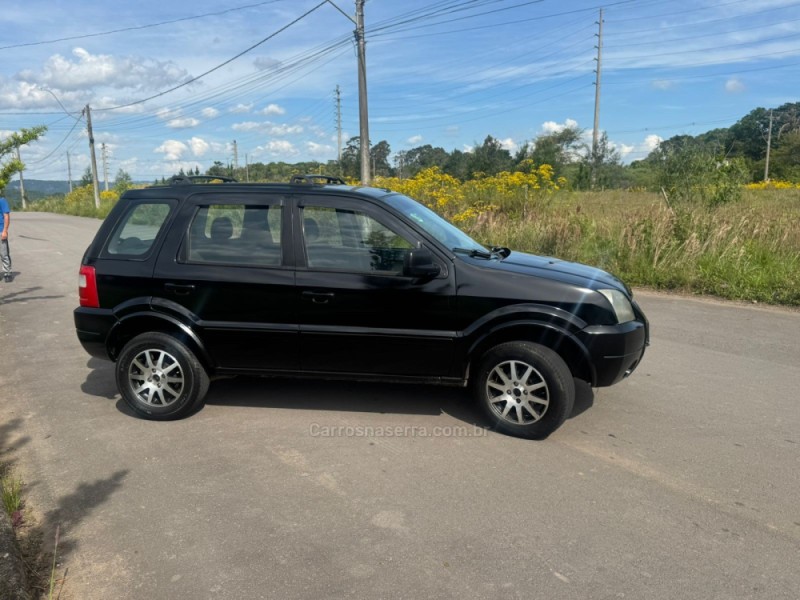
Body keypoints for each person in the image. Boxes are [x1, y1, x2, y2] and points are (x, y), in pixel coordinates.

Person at [0, 192, 11, 282]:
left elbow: (6, 216)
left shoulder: (2, 201)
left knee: (4, 253)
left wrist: (5, 231)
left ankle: (7, 272)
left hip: (0, 231)